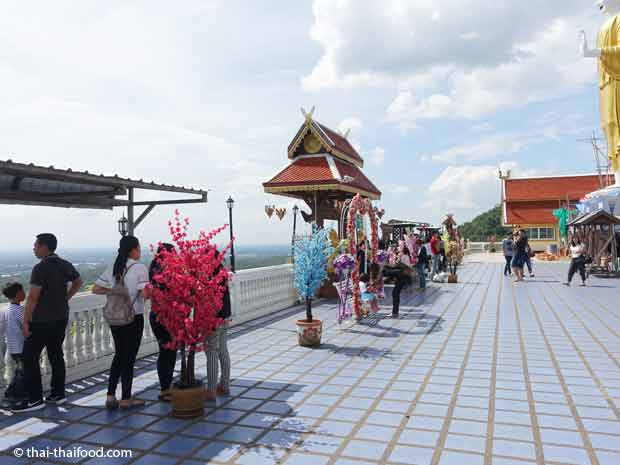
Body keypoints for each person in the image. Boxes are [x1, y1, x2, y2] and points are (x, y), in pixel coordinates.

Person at [13, 234, 82, 413]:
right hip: (60, 318)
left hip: (42, 320)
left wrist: (26, 321)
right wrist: (65, 298)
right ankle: (58, 394)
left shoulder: (40, 268)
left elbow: (33, 297)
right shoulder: (64, 264)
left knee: (29, 358)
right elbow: (78, 281)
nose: (33, 248)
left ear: (44, 247)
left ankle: (35, 399)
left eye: (36, 245)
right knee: (55, 354)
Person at [93, 235, 148, 409]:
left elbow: (95, 289)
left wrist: (114, 291)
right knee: (129, 358)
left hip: (114, 318)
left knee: (119, 355)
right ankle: (126, 398)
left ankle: (110, 395)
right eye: (138, 248)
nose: (139, 251)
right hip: (133, 317)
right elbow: (146, 294)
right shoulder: (140, 268)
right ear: (132, 250)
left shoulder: (113, 267)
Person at [148, 243, 177, 402]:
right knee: (168, 353)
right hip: (165, 317)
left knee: (166, 352)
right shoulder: (165, 273)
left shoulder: (153, 269)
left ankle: (166, 387)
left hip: (157, 316)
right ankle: (166, 388)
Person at [204, 268, 232, 401]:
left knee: (212, 353)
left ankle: (211, 390)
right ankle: (225, 385)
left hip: (213, 320)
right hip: (224, 318)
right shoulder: (223, 276)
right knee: (223, 351)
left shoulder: (208, 278)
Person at [2, 283, 26, 406]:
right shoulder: (20, 310)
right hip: (21, 346)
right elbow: (26, 328)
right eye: (22, 290)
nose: (25, 292)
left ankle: (15, 393)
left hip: (12, 347)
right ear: (18, 294)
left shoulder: (4, 310)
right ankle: (10, 393)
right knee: (22, 371)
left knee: (20, 370)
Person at [392, 247, 413, 318]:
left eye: (400, 249)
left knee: (395, 293)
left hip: (402, 274)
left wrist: (398, 260)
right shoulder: (407, 256)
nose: (399, 250)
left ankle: (395, 312)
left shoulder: (403, 256)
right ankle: (395, 312)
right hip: (404, 274)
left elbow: (401, 265)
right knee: (396, 293)